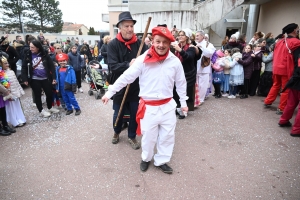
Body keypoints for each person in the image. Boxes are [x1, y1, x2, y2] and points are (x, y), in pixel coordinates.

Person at [102, 25, 188, 174]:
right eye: (158, 41)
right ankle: (146, 158)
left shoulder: (175, 61)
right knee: (149, 137)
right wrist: (110, 93)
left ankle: (161, 160)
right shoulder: (142, 60)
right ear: (153, 42)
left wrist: (184, 102)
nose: (161, 45)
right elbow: (126, 77)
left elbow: (181, 83)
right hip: (149, 108)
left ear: (169, 43)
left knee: (167, 136)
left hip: (167, 106)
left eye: (164, 42)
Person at [106, 11, 148, 149]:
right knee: (118, 112)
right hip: (119, 86)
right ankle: (116, 132)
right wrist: (129, 65)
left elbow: (148, 60)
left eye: (131, 26)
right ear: (120, 27)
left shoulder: (140, 44)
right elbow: (112, 66)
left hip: (136, 87)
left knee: (135, 113)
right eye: (126, 26)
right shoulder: (112, 45)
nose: (130, 29)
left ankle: (131, 136)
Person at [264, 23, 300, 115]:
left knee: (276, 85)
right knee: (285, 89)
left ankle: (268, 101)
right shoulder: (296, 42)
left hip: (276, 67)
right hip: (286, 69)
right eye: (297, 29)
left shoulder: (280, 41)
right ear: (294, 30)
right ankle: (281, 108)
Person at [21, 40, 60, 118]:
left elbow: (51, 66)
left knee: (49, 93)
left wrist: (54, 78)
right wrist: (25, 79)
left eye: (32, 47)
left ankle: (49, 107)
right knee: (37, 95)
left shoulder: (45, 54)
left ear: (38, 48)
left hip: (46, 78)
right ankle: (41, 110)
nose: (30, 48)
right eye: (30, 47)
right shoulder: (28, 54)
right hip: (34, 79)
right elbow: (24, 67)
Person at [172, 28, 200, 118]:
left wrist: (179, 50)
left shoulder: (191, 47)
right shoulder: (177, 46)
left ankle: (184, 111)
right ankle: (178, 109)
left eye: (182, 35)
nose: (180, 37)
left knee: (184, 93)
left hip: (187, 74)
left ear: (187, 37)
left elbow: (189, 57)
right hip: (177, 74)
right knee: (175, 92)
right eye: (179, 35)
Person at [278, 44, 300, 137]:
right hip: (296, 80)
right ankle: (296, 129)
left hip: (295, 81)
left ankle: (283, 120)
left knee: (290, 104)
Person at [1, 56, 26, 127]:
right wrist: (7, 93)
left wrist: (20, 91)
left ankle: (21, 119)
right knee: (11, 108)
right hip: (9, 93)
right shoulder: (2, 74)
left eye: (7, 63)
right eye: (5, 63)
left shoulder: (11, 72)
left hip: (16, 92)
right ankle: (15, 121)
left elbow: (16, 82)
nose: (7, 65)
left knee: (17, 106)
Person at [195, 30, 216, 105]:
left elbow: (210, 54)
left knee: (202, 85)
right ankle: (195, 99)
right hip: (195, 68)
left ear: (202, 36)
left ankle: (200, 99)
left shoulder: (209, 44)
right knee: (196, 85)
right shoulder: (194, 43)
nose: (196, 37)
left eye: (198, 35)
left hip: (204, 67)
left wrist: (202, 47)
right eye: (196, 35)